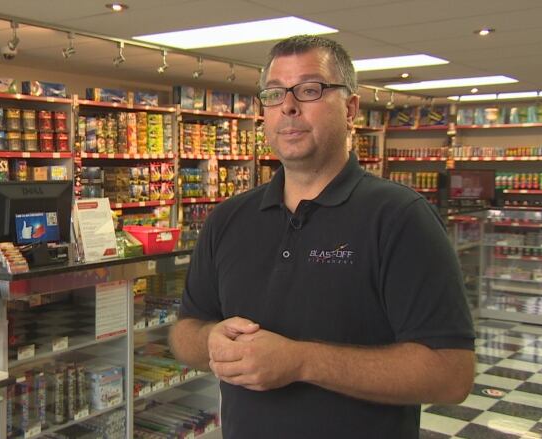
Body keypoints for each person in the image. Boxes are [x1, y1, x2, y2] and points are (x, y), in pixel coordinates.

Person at [169, 35, 476, 439]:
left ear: (350, 108)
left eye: (310, 90)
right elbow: (183, 332)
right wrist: (210, 340)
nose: (289, 106)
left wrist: (301, 361)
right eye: (275, 94)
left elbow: (452, 373)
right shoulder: (228, 219)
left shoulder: (401, 219)